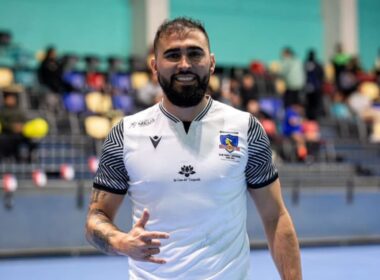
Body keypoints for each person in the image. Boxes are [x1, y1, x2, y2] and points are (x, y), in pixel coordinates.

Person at [85, 17, 302, 279]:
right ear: (155, 66)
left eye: (194, 53)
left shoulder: (245, 128)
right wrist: (121, 242)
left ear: (211, 63)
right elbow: (96, 217)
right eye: (173, 55)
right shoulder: (126, 133)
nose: (185, 64)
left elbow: (275, 217)